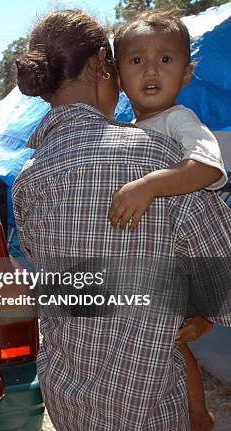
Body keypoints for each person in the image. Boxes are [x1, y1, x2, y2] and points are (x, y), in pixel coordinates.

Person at [12, 9, 231, 431]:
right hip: (147, 408)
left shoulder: (28, 178)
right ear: (100, 65)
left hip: (67, 400)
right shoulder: (157, 158)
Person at [110, 10, 228, 430]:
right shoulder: (124, 129)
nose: (151, 70)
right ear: (118, 75)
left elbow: (209, 169)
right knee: (163, 346)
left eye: (166, 59)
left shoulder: (179, 120)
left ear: (188, 72)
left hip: (186, 259)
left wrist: (151, 184)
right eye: (136, 60)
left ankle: (198, 416)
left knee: (172, 346)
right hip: (152, 259)